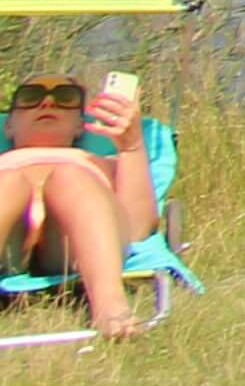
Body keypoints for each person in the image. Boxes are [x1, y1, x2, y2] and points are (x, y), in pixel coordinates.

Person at [0, 70, 156, 336]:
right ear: (9, 125)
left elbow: (135, 230)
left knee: (70, 177)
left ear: (78, 125)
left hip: (72, 243)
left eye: (65, 98)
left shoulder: (96, 163)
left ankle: (109, 305)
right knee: (10, 182)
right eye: (31, 97)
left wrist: (132, 146)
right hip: (9, 237)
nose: (47, 103)